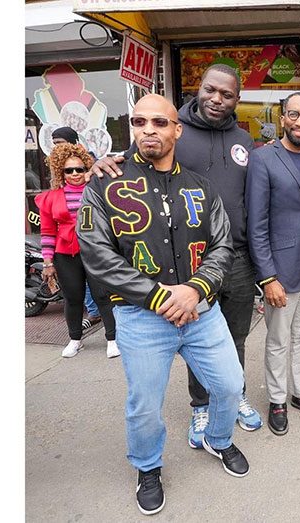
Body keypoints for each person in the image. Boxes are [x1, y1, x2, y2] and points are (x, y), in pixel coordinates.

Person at [77, 94, 249, 515]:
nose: (148, 129)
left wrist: (195, 290)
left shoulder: (201, 187)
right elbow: (97, 253)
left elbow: (222, 246)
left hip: (200, 312)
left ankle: (219, 439)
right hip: (141, 316)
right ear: (131, 128)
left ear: (177, 130)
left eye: (159, 122)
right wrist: (158, 296)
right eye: (139, 121)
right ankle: (148, 467)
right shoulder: (103, 184)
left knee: (229, 385)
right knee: (145, 404)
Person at [89, 64, 262, 447]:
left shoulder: (243, 140)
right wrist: (101, 163)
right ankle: (198, 410)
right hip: (159, 288)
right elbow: (136, 160)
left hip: (228, 260)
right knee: (151, 395)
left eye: (227, 94)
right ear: (197, 92)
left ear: (237, 99)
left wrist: (203, 286)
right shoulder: (156, 137)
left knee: (234, 344)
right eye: (210, 90)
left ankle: (230, 406)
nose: (217, 98)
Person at [246, 92, 300, 435]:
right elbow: (256, 223)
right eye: (293, 114)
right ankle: (277, 399)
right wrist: (267, 277)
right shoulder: (263, 159)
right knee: (279, 339)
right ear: (282, 118)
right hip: (279, 268)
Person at [34, 143, 118, 359]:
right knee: (73, 298)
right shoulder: (51, 198)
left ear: (86, 168)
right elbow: (47, 231)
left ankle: (112, 338)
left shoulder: (97, 191)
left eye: (79, 169)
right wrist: (47, 261)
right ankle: (75, 339)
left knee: (103, 296)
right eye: (68, 170)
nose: (74, 174)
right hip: (66, 254)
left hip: (96, 251)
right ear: (60, 171)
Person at [49, 126, 104, 327]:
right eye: (54, 143)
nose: (74, 173)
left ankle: (103, 320)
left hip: (93, 241)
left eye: (60, 142)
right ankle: (93, 312)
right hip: (68, 246)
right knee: (77, 288)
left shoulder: (89, 163)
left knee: (99, 287)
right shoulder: (57, 172)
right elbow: (48, 226)